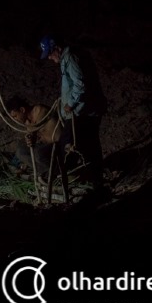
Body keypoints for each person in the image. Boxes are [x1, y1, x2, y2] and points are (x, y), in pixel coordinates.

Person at [39, 34, 108, 200]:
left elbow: (80, 84)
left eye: (49, 53)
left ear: (57, 48)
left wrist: (70, 103)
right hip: (87, 110)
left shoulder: (70, 57)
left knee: (66, 145)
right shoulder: (69, 57)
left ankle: (56, 177)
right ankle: (96, 182)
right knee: (91, 146)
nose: (49, 57)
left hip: (81, 112)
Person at [5, 95, 62, 182]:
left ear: (22, 110)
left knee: (38, 153)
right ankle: (45, 172)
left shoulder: (40, 110)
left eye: (15, 116)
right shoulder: (28, 122)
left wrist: (30, 135)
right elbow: (33, 137)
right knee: (21, 151)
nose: (15, 120)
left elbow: (36, 126)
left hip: (59, 144)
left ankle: (57, 172)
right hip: (46, 145)